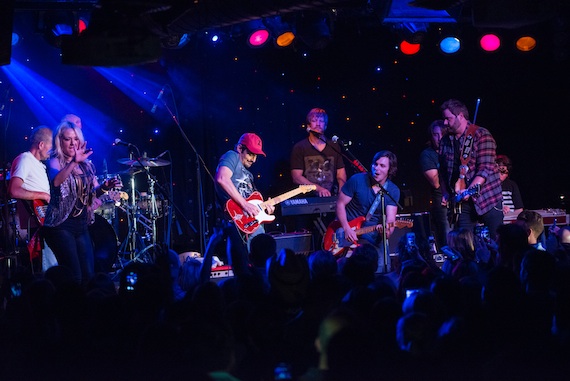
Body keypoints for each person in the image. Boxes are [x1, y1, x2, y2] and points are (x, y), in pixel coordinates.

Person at [42, 121, 121, 285]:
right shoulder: (54, 161)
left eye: (76, 139)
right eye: (68, 139)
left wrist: (105, 188)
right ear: (60, 141)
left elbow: (89, 197)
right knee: (75, 277)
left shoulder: (86, 166)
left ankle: (87, 309)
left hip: (81, 224)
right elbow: (56, 182)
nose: (73, 143)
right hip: (60, 225)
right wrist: (74, 162)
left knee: (89, 276)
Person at [439, 99, 503, 240]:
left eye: (448, 119)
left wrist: (470, 189)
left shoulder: (481, 134)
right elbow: (442, 170)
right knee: (464, 245)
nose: (444, 123)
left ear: (460, 116)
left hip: (487, 198)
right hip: (463, 203)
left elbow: (485, 168)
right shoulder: (445, 141)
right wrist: (445, 192)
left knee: (497, 242)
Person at [214, 132, 275, 276]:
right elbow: (222, 178)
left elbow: (253, 202)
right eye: (251, 154)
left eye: (256, 156)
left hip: (251, 223)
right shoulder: (232, 156)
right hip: (236, 219)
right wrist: (244, 205)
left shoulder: (249, 175)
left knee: (260, 265)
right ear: (240, 149)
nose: (253, 159)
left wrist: (266, 208)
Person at [335, 150, 400, 273]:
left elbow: (391, 220)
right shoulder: (357, 180)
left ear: (389, 170)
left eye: (382, 166)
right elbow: (339, 204)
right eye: (375, 164)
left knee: (382, 266)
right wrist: (346, 228)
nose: (377, 169)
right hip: (348, 230)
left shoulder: (392, 191)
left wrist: (386, 232)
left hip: (372, 234)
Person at [8, 126, 57, 271]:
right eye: (50, 146)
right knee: (48, 267)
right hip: (37, 223)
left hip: (45, 220)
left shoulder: (40, 165)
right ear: (41, 145)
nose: (52, 151)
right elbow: (13, 190)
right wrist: (42, 195)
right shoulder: (25, 159)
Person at [290, 108, 347, 197]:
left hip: (331, 196)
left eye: (321, 121)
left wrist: (342, 193)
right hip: (308, 198)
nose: (318, 124)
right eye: (314, 121)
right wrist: (318, 188)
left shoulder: (334, 146)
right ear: (308, 126)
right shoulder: (300, 147)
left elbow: (341, 174)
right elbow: (296, 177)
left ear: (325, 126)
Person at [419, 119, 449, 250]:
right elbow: (436, 183)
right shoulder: (427, 154)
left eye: (442, 134)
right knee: (447, 234)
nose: (439, 138)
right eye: (436, 135)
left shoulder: (454, 151)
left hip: (458, 197)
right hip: (441, 199)